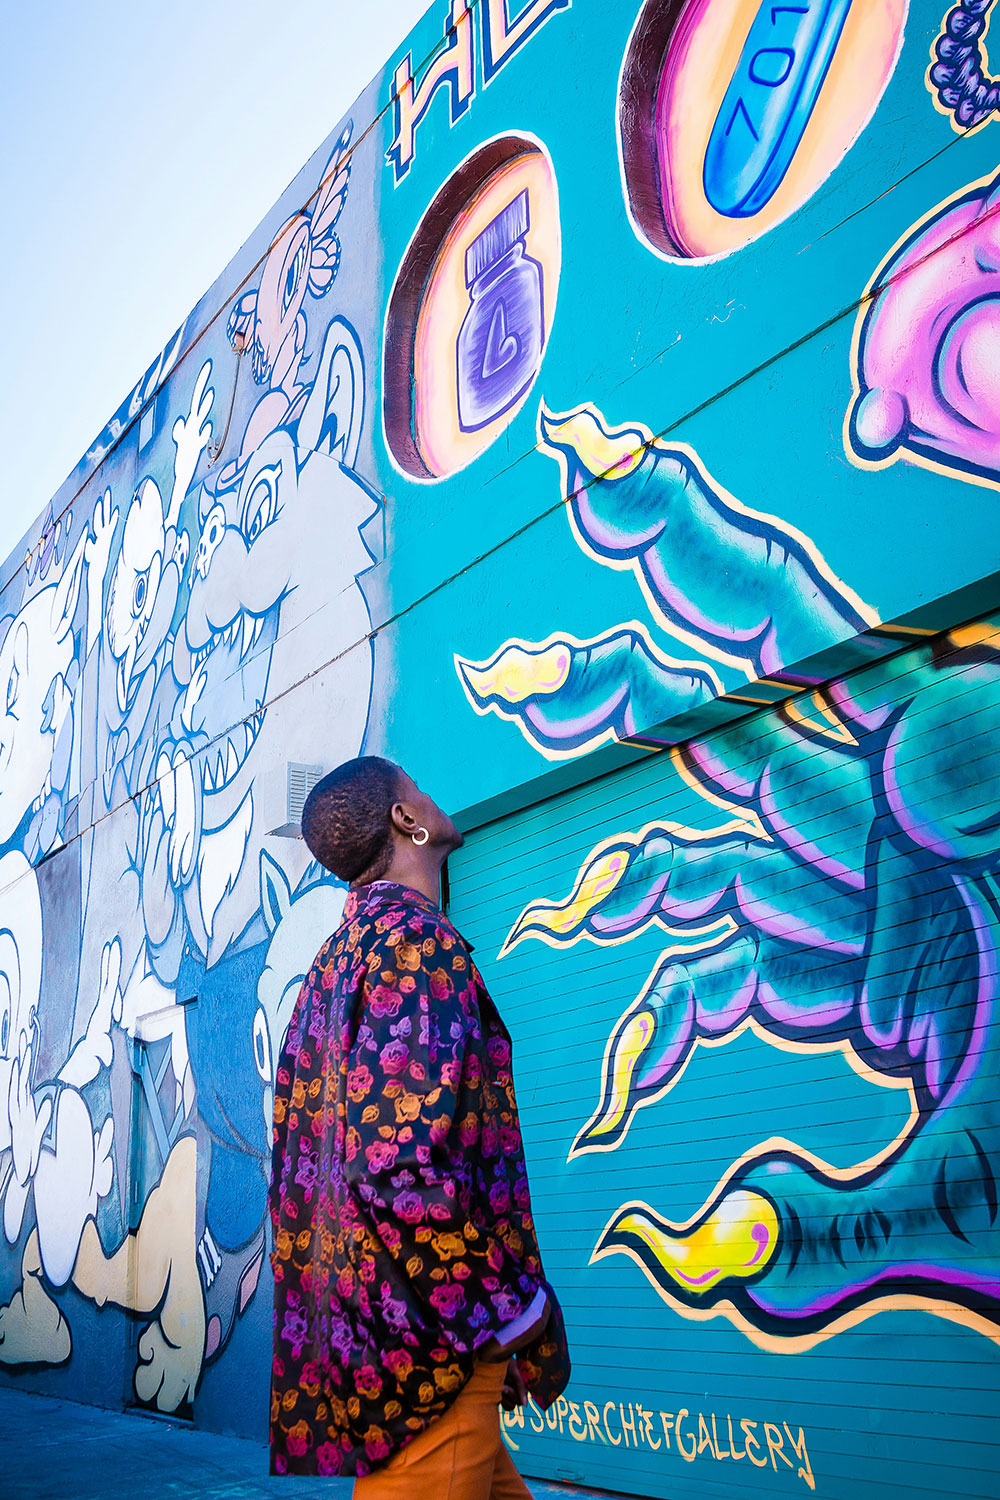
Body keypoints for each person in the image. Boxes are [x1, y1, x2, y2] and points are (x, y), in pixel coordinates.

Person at [269, 755, 570, 1495]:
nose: (434, 797)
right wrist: (513, 1311)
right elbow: (397, 1168)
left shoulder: (335, 962)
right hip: (428, 1354)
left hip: (386, 1340)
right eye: (421, 791)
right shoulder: (413, 946)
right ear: (407, 820)